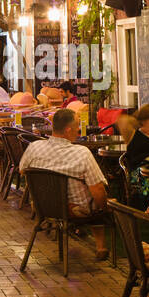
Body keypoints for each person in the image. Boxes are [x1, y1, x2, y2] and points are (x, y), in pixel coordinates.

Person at [18, 108, 109, 257]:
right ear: (68, 130)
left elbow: (22, 171)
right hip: (74, 211)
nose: (79, 130)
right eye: (77, 127)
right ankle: (101, 247)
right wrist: (104, 207)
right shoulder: (82, 153)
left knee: (94, 195)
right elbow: (98, 190)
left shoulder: (34, 147)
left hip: (42, 207)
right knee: (99, 197)